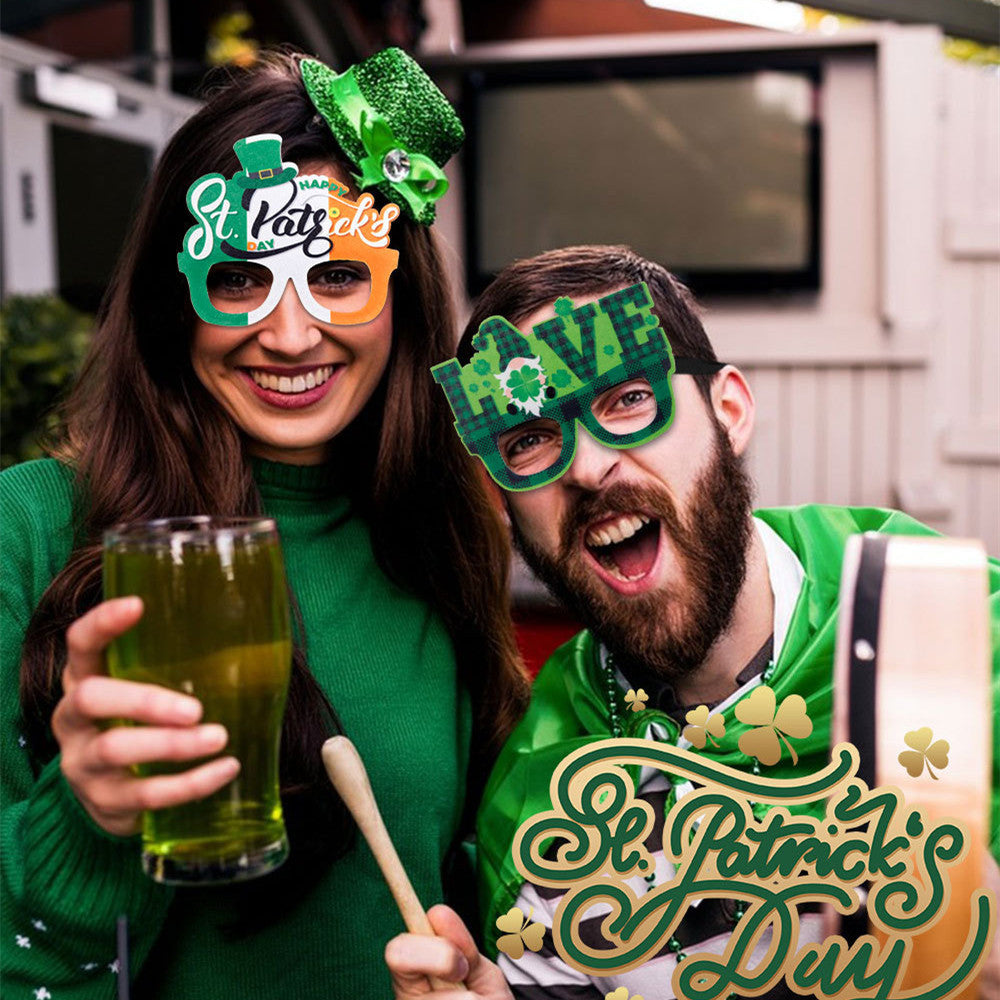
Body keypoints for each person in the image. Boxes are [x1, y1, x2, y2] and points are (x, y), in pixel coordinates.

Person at [1, 48, 528, 1000]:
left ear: (400, 293)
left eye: (334, 277)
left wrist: (484, 977)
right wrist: (87, 818)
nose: (289, 336)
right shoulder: (31, 530)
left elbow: (468, 890)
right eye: (241, 278)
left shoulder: (445, 533)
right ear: (173, 298)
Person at [384, 245, 1000, 999]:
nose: (586, 465)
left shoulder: (946, 636)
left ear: (729, 412)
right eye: (530, 439)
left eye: (626, 400)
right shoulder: (545, 790)